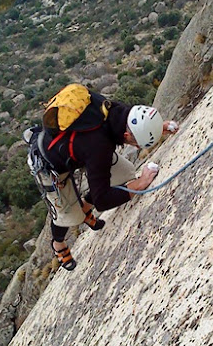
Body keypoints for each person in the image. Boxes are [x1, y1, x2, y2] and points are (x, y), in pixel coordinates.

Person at [39, 98, 179, 270]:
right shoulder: (99, 147)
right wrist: (141, 183)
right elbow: (102, 200)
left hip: (78, 148)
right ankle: (58, 244)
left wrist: (155, 128)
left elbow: (134, 123)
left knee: (125, 173)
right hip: (52, 163)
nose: (136, 147)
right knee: (69, 216)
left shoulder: (117, 109)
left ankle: (84, 208)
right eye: (137, 143)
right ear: (127, 136)